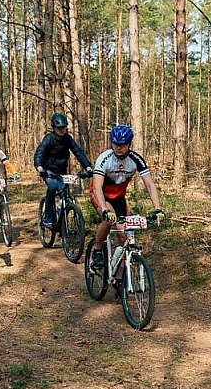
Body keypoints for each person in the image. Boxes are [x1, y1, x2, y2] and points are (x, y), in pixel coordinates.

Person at [88, 124, 165, 271]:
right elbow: (97, 186)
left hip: (118, 197)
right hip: (100, 195)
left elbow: (150, 185)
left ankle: (120, 278)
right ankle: (97, 249)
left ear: (129, 144)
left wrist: (158, 209)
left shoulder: (136, 159)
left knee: (124, 238)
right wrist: (104, 209)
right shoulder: (104, 158)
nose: (118, 148)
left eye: (122, 145)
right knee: (108, 219)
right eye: (115, 144)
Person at [33, 112, 93, 228]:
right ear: (54, 128)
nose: (61, 130)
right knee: (52, 187)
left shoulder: (68, 139)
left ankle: (62, 222)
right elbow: (40, 153)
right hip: (48, 170)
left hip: (62, 171)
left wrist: (88, 167)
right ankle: (48, 216)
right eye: (59, 128)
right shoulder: (49, 139)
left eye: (63, 128)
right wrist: (39, 167)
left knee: (65, 194)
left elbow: (78, 152)